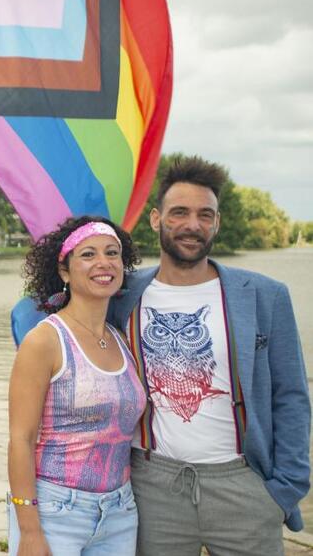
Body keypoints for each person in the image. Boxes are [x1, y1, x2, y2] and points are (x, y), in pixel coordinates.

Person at [107, 157, 309, 556]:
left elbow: (291, 396)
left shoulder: (266, 296)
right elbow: (55, 317)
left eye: (205, 215)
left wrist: (284, 490)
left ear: (216, 223)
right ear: (155, 218)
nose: (192, 225)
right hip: (152, 487)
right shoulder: (121, 294)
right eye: (179, 212)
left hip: (243, 486)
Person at [8, 216, 144, 555]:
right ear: (65, 271)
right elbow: (20, 440)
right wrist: (29, 530)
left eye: (112, 253)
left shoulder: (122, 338)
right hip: (57, 511)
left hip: (119, 513)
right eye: (88, 254)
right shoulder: (45, 340)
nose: (103, 262)